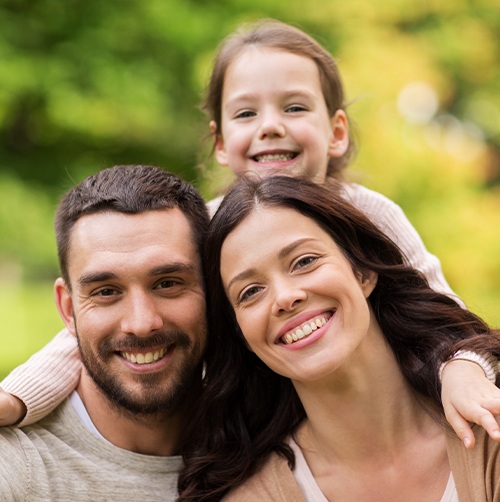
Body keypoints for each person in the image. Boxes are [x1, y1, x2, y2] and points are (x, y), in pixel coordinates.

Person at [0, 20, 498, 448]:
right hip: (265, 435)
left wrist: (464, 371)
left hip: (383, 422)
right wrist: (17, 398)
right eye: (246, 113)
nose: (270, 127)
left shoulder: (368, 215)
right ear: (220, 142)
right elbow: (92, 330)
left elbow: (447, 318)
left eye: (295, 108)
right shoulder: (210, 227)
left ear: (337, 131)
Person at [175, 174, 500, 502]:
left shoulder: (489, 431)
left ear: (362, 271)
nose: (285, 297)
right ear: (242, 336)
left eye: (304, 261)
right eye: (250, 292)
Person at [0, 165, 213, 502]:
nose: (141, 323)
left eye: (168, 283)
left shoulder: (265, 447)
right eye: (105, 291)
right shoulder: (16, 464)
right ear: (68, 309)